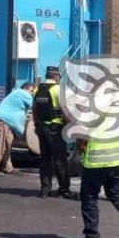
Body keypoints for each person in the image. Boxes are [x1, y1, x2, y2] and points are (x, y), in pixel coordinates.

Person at [33, 66, 77, 199]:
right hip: (55, 129)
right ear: (56, 76)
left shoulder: (37, 89)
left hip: (41, 128)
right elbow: (64, 110)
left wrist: (36, 125)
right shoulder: (58, 89)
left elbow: (34, 109)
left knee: (45, 160)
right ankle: (64, 189)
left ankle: (44, 189)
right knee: (60, 160)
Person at [0, 82, 35, 177]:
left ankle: (8, 167)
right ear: (27, 88)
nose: (32, 93)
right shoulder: (23, 93)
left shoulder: (15, 93)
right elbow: (35, 106)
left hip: (2, 122)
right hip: (3, 122)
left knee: (7, 145)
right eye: (32, 91)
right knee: (1, 146)